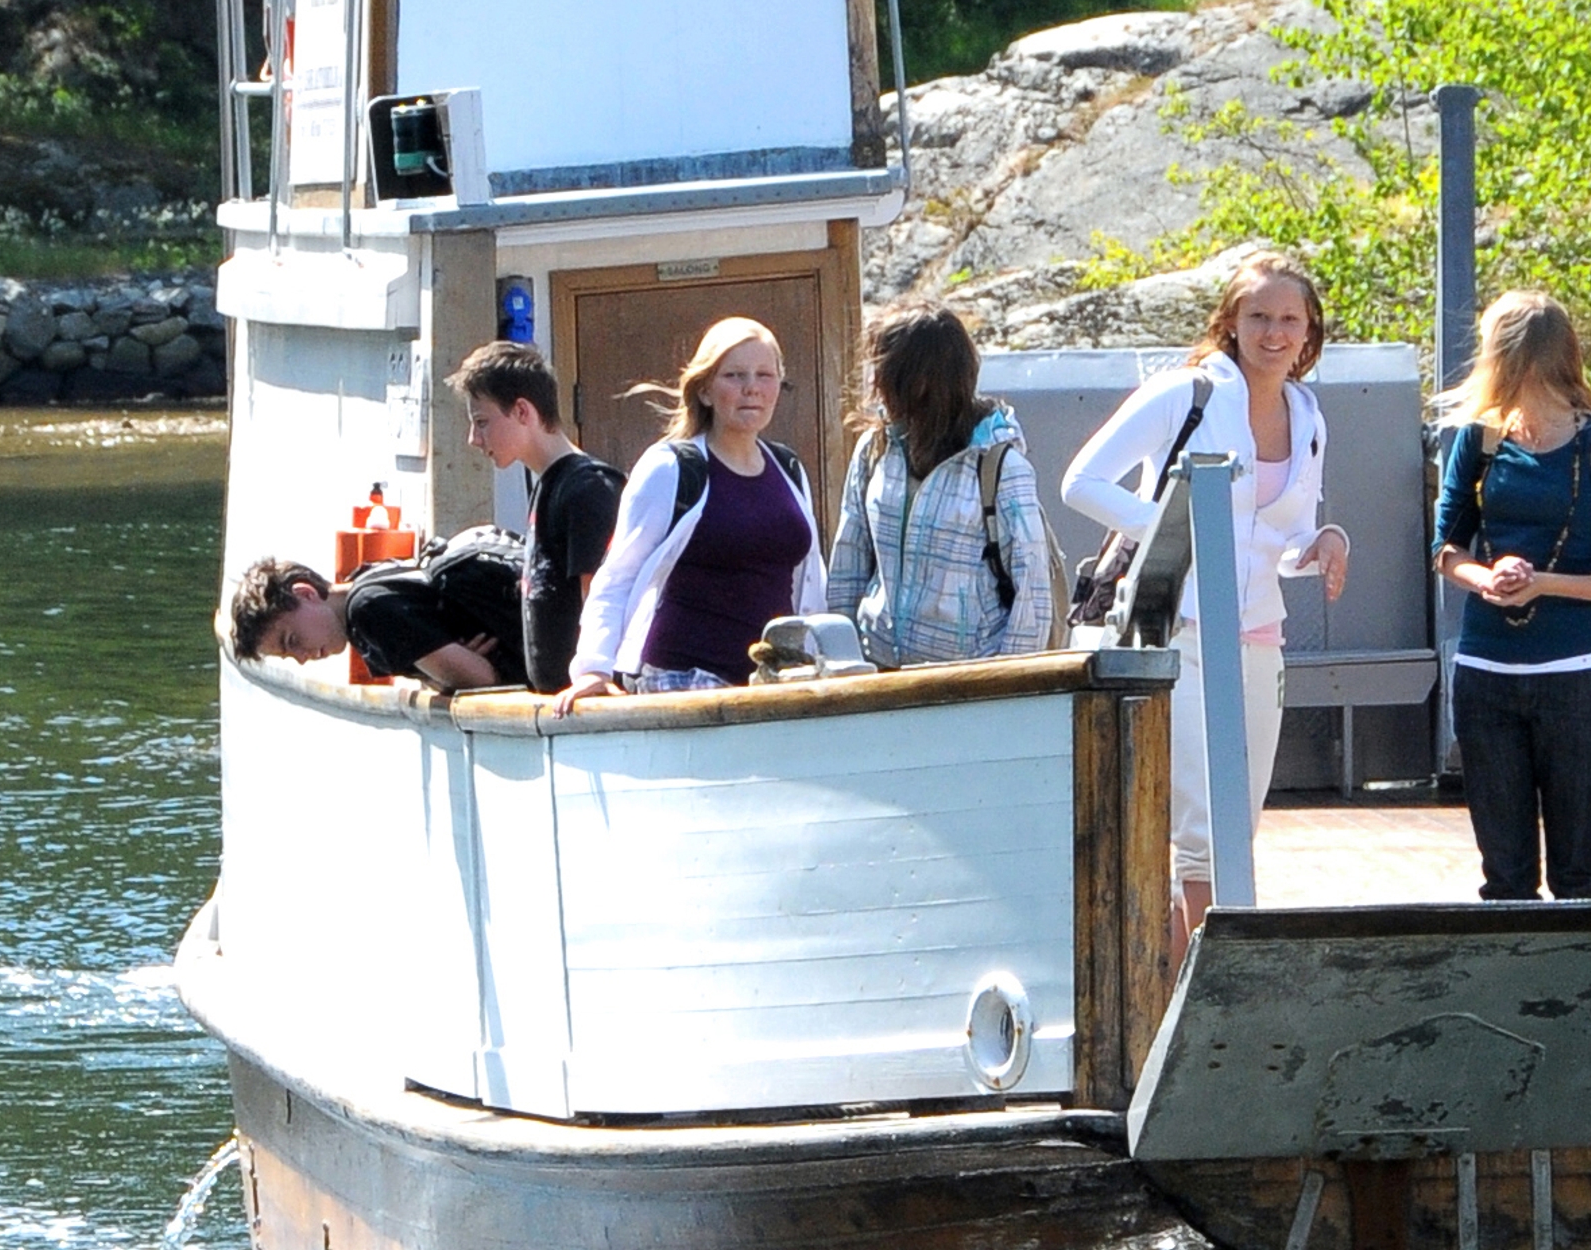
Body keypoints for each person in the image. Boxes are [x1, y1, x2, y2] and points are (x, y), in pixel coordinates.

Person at [1058, 253, 1355, 933]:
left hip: (1259, 641)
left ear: (1309, 331)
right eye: (1259, 316)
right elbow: (1081, 483)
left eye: (1289, 319)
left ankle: (1175, 970)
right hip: (1183, 631)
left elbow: (1282, 542)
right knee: (1200, 833)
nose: (1274, 333)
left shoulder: (1308, 417)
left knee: (1237, 828)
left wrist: (1326, 541)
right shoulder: (1184, 394)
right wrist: (1177, 527)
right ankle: (1209, 974)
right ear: (1230, 322)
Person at [1434, 291, 1591, 901]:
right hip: (1485, 674)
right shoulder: (1480, 441)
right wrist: (1486, 578)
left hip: (1577, 677)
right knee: (1504, 877)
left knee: (1580, 873)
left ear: (1507, 358)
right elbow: (1445, 549)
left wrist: (1544, 583)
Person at [554, 317, 824, 704]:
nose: (751, 388)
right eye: (734, 375)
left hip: (773, 683)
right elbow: (617, 576)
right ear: (706, 391)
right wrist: (594, 669)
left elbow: (810, 580)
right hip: (684, 679)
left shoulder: (789, 469)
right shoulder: (671, 467)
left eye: (764, 375)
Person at [828, 300, 1058, 666]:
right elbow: (849, 562)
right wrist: (843, 660)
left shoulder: (998, 465)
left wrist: (1009, 685)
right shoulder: (876, 448)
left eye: (885, 372)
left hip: (966, 677)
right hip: (878, 665)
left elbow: (1033, 594)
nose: (877, 385)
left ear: (920, 380)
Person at [449, 339, 623, 693]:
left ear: (522, 411)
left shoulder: (587, 489)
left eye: (482, 422)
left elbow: (602, 598)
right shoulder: (549, 486)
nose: (473, 439)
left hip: (589, 706)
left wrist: (595, 679)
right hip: (555, 704)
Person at [225, 537, 527, 692]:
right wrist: (443, 670)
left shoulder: (367, 611)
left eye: (291, 640)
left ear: (306, 594)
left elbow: (482, 679)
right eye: (289, 656)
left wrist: (445, 677)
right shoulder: (371, 578)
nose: (302, 657)